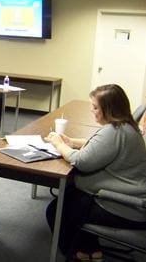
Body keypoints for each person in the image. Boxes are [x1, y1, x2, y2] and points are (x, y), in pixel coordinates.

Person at [44, 84, 146, 261]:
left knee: (56, 210)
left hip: (125, 206)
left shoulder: (114, 131)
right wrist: (72, 142)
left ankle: (78, 254)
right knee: (70, 196)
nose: (92, 110)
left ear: (109, 109)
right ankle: (91, 251)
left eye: (95, 107)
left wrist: (59, 145)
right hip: (128, 197)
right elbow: (101, 146)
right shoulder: (124, 126)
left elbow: (82, 161)